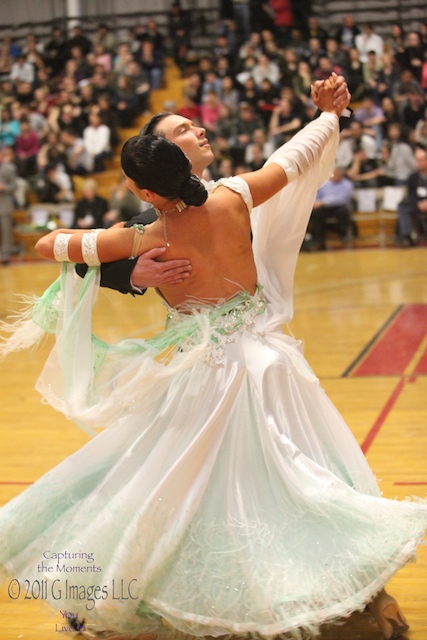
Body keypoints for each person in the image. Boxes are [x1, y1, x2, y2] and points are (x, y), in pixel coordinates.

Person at [1, 77, 426, 640]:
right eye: (181, 129)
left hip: (206, 370)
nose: (195, 128)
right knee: (293, 466)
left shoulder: (146, 234)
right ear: (180, 163)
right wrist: (327, 118)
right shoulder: (233, 196)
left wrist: (125, 251)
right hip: (268, 360)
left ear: (144, 189)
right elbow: (292, 161)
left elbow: (47, 244)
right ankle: (310, 574)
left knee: (186, 477)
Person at [76, 75, 352, 295]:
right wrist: (132, 274)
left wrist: (328, 114)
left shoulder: (230, 192)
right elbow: (82, 262)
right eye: (184, 130)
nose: (201, 130)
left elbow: (292, 159)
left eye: (194, 124)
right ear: (163, 152)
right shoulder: (150, 222)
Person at [397, 146, 427, 246]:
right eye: (417, 160)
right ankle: (407, 236)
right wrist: (418, 203)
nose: (420, 163)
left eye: (422, 160)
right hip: (418, 204)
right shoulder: (412, 177)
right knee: (403, 206)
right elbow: (411, 194)